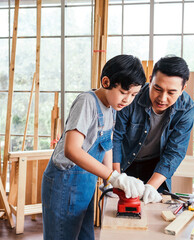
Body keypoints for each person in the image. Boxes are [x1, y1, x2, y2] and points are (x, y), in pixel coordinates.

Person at [41, 54, 147, 240]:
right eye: (124, 92)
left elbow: (107, 145)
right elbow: (71, 150)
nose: (127, 100)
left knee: (85, 235)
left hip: (86, 183)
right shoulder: (87, 102)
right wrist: (111, 176)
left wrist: (114, 179)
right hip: (64, 184)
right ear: (106, 82)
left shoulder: (112, 107)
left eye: (133, 95)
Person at [112, 55, 194, 204]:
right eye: (157, 89)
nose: (162, 98)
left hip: (156, 165)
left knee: (155, 209)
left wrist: (152, 185)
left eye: (171, 93)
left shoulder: (186, 108)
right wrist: (116, 177)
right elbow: (116, 137)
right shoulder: (132, 98)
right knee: (121, 207)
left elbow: (175, 151)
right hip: (125, 161)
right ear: (150, 79)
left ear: (183, 89)